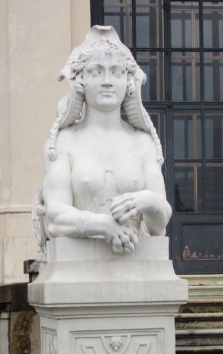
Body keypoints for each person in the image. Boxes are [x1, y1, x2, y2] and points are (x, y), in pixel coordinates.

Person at [33, 26, 171, 259]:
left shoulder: (142, 143)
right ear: (80, 80)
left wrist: (147, 201)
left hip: (135, 268)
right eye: (96, 71)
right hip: (76, 266)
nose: (107, 81)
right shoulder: (62, 142)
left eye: (116, 72)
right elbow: (55, 218)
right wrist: (105, 225)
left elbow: (159, 225)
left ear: (128, 82)